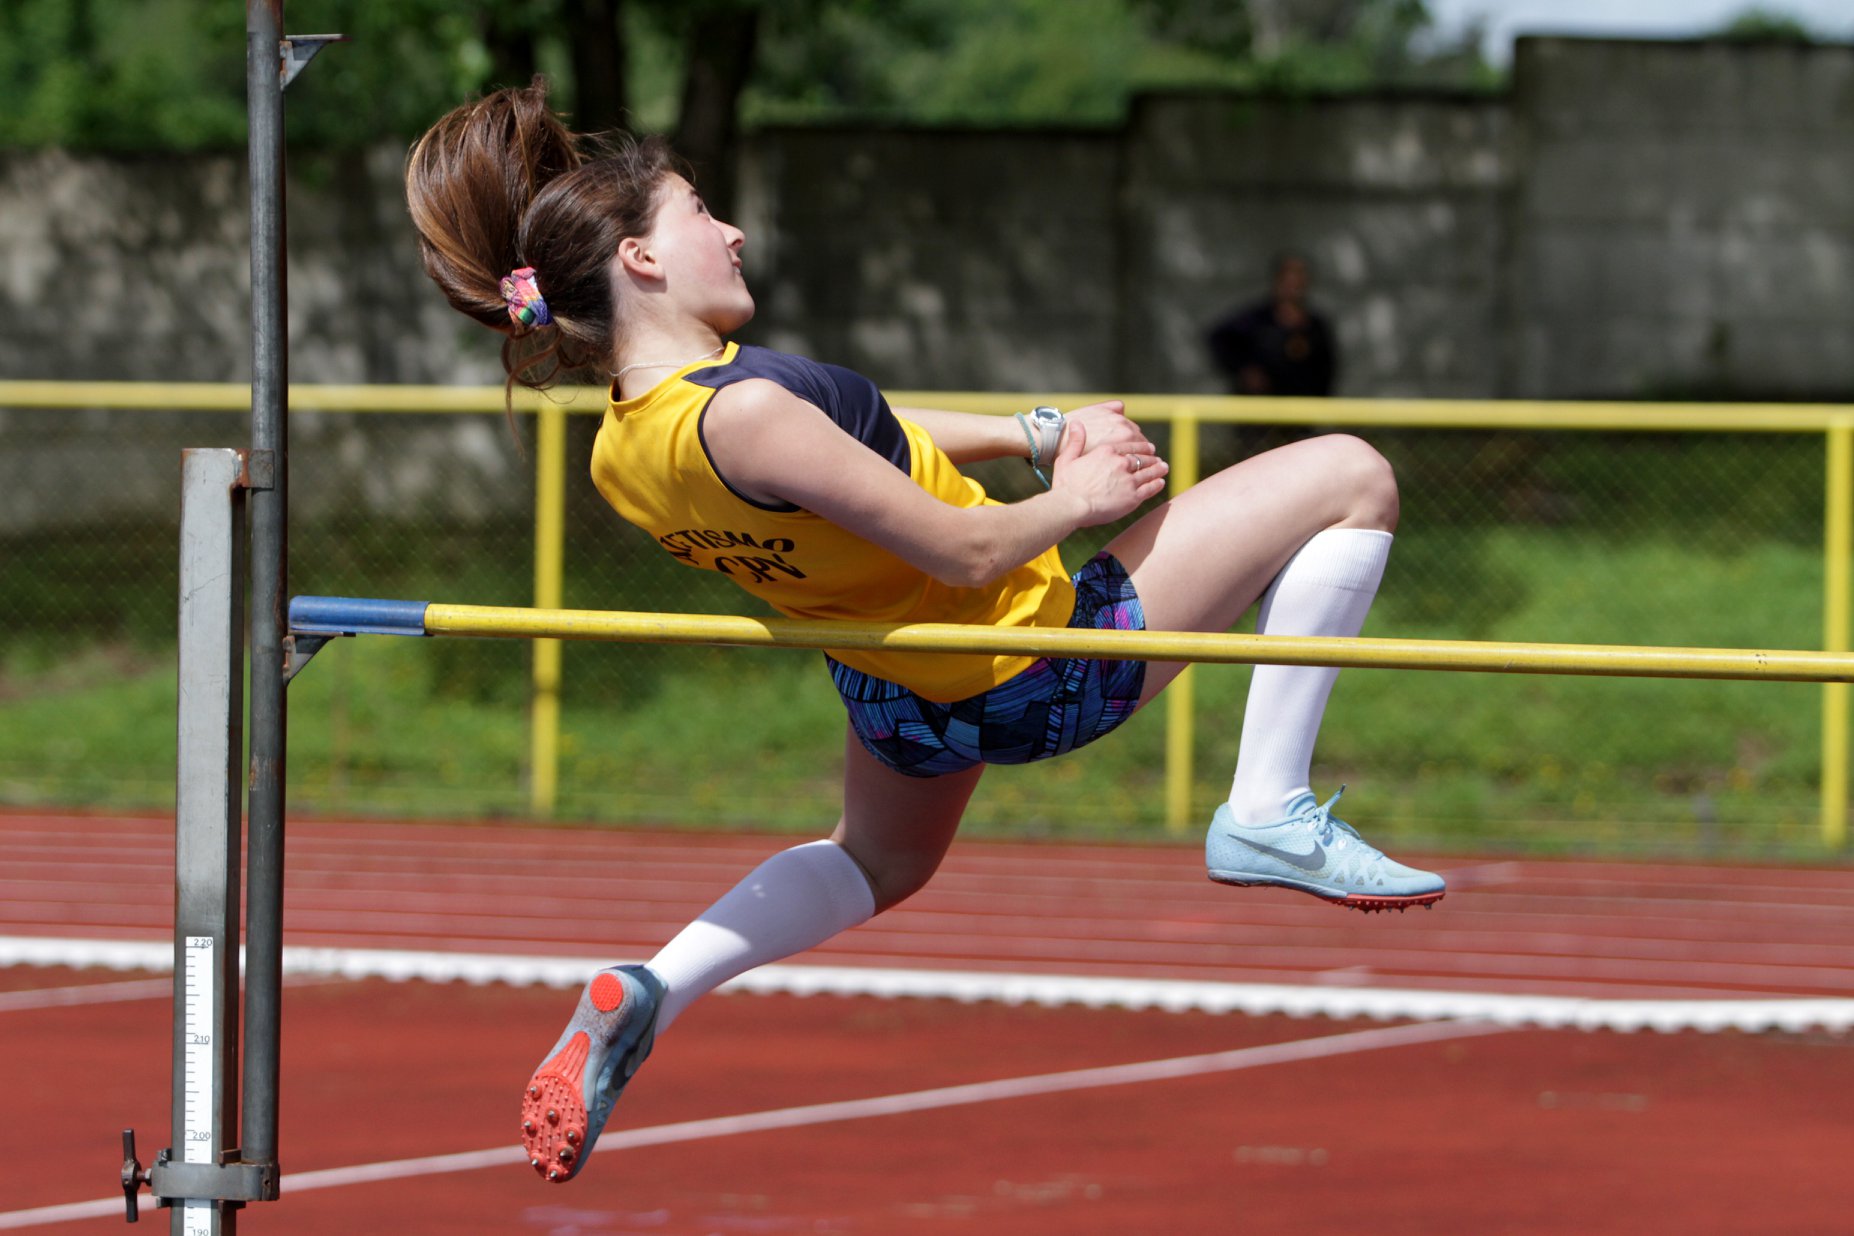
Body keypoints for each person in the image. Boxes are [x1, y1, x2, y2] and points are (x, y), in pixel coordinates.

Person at [404, 81, 1442, 1186]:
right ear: (642, 259)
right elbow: (967, 552)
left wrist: (1026, 432)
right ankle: (1268, 805)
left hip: (896, 692)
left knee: (877, 861)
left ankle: (658, 985)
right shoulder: (745, 411)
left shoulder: (626, 449)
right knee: (1352, 476)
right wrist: (1078, 498)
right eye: (700, 211)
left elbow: (856, 441)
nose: (733, 230)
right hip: (1034, 662)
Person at [1207, 253, 1338, 397]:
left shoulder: (1316, 327)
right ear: (1277, 281)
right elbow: (1219, 339)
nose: (1293, 286)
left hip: (1301, 404)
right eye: (1288, 279)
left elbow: (1327, 370)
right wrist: (1243, 369)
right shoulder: (1255, 320)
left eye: (1298, 280)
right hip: (1259, 404)